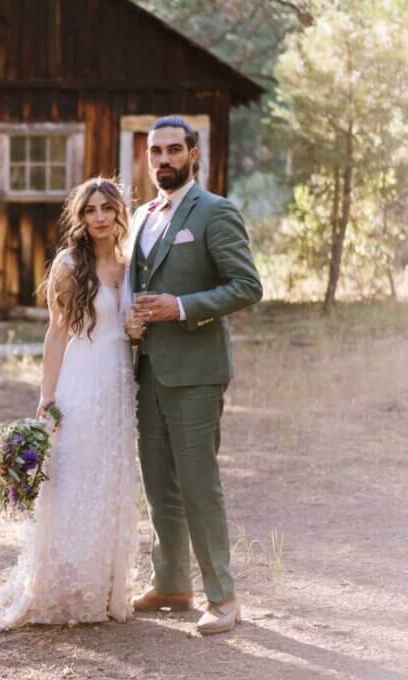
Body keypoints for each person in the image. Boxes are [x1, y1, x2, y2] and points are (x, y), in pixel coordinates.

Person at [0, 178, 141, 634]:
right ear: (79, 217)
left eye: (107, 208)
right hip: (82, 379)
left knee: (109, 478)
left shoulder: (129, 264)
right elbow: (57, 332)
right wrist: (47, 397)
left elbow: (133, 328)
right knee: (73, 478)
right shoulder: (68, 264)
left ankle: (102, 585)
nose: (99, 217)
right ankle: (62, 587)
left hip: (119, 384)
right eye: (90, 210)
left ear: (121, 213)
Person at [123, 116, 262, 635]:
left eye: (173, 150)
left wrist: (181, 306)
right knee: (159, 485)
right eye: (155, 151)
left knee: (200, 486)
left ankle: (223, 597)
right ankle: (172, 583)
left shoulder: (215, 213)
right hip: (148, 371)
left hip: (197, 373)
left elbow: (247, 286)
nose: (163, 159)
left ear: (193, 154)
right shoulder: (141, 216)